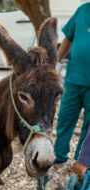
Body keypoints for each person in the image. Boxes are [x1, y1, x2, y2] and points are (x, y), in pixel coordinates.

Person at [54, 2, 90, 164]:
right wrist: (56, 61)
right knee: (65, 117)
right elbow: (68, 38)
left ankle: (80, 160)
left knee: (88, 124)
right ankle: (59, 155)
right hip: (74, 77)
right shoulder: (83, 10)